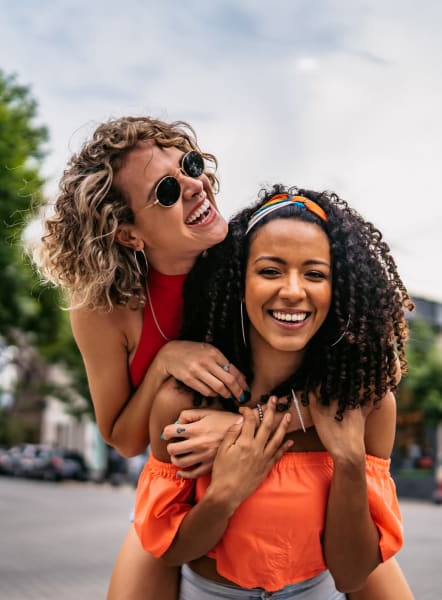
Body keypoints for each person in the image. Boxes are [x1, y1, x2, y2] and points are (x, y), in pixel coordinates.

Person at [134, 185, 415, 599]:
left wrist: (350, 461)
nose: (293, 291)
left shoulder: (365, 406)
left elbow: (352, 576)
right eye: (270, 270)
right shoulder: (185, 401)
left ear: (336, 290)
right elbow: (172, 551)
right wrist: (227, 491)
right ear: (239, 283)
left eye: (315, 274)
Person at [32, 115, 253, 600]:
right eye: (167, 192)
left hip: (272, 470)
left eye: (190, 166)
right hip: (173, 492)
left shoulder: (259, 259)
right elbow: (121, 438)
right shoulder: (102, 310)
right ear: (129, 233)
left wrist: (239, 429)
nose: (196, 186)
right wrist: (164, 362)